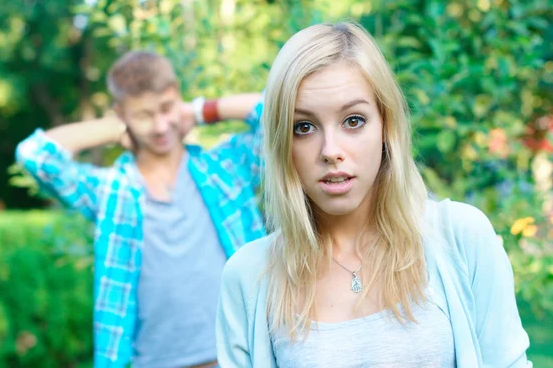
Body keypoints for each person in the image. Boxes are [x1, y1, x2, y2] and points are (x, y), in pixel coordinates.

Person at [216, 22, 532, 367]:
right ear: (281, 142)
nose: (330, 150)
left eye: (353, 121)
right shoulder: (249, 276)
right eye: (303, 127)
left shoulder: (459, 238)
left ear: (386, 126)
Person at [16, 51, 265, 368]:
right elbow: (34, 155)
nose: (161, 126)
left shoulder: (225, 168)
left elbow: (282, 113)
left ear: (178, 97)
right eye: (144, 115)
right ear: (121, 114)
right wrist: (115, 129)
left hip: (237, 359)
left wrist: (201, 110)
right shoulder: (112, 192)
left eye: (167, 108)